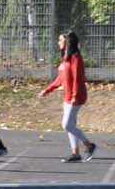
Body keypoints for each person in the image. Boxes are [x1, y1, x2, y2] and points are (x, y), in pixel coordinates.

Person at [41, 30, 96, 162]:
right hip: (67, 96)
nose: (58, 42)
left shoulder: (75, 58)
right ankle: (75, 153)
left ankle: (89, 145)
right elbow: (60, 79)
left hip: (76, 96)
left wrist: (75, 96)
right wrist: (47, 90)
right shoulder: (65, 57)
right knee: (70, 125)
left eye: (60, 40)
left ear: (67, 42)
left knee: (66, 125)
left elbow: (78, 79)